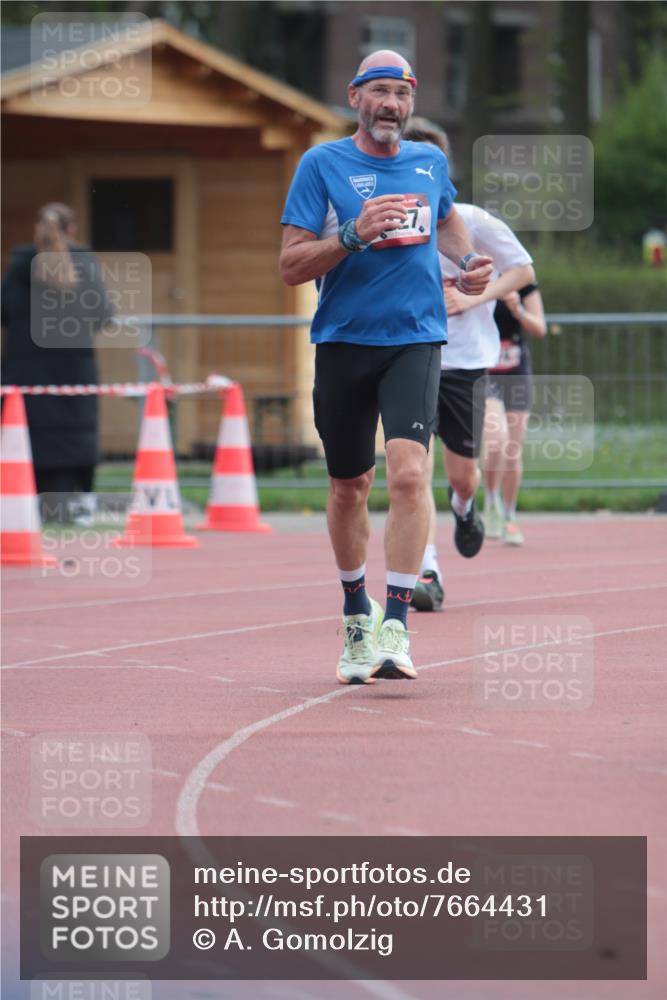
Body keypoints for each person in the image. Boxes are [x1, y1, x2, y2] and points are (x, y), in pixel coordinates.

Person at [279, 50, 493, 683]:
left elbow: (448, 221)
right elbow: (290, 266)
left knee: (408, 474)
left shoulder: (429, 162)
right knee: (350, 486)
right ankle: (355, 615)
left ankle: (396, 623)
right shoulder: (322, 165)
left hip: (417, 339)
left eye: (399, 94)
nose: (390, 105)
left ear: (411, 100)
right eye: (378, 93)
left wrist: (470, 261)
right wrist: (350, 236)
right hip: (344, 341)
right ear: (355, 98)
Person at [402, 119, 536, 611]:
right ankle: (427, 571)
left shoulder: (474, 221)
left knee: (462, 476)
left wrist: (477, 298)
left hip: (464, 362)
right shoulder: (388, 219)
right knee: (410, 471)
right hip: (408, 356)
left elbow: (522, 270)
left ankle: (465, 508)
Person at [1, 203, 113, 524]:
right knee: (76, 442)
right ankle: (80, 509)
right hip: (74, 374)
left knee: (28, 441)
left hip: (25, 373)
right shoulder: (84, 265)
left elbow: (4, 310)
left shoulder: (21, 265)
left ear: (38, 228)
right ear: (72, 231)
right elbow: (104, 315)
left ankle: (25, 509)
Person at [482, 284, 547, 545]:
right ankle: (490, 500)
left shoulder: (521, 278)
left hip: (516, 370)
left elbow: (539, 328)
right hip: (484, 371)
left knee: (513, 448)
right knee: (496, 442)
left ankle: (509, 515)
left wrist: (517, 309)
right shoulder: (472, 272)